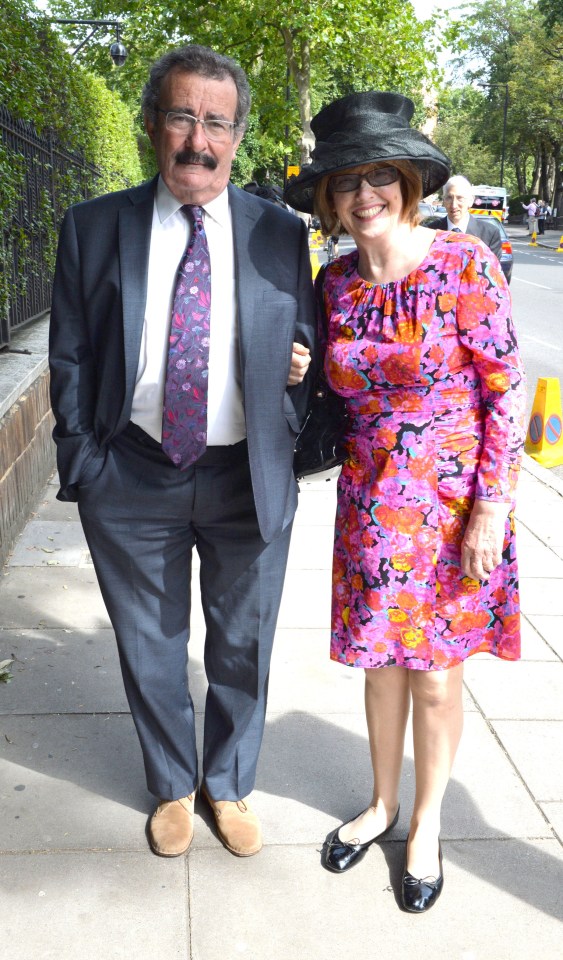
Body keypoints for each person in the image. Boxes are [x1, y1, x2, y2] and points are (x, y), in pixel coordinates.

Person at [49, 44, 316, 861]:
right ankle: (171, 781)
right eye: (180, 116)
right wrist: (85, 465)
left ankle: (228, 783)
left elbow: (304, 339)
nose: (197, 139)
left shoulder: (280, 231)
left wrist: (297, 372)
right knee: (149, 641)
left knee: (244, 641)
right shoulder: (94, 227)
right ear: (151, 127)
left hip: (245, 474)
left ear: (237, 136)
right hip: (130, 473)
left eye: (216, 121)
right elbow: (69, 356)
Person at [285, 91, 525, 912]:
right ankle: (380, 804)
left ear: (408, 183)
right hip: (367, 503)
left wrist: (491, 508)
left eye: (379, 177)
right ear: (328, 196)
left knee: (432, 679)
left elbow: (505, 392)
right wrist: (296, 369)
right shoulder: (335, 284)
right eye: (346, 181)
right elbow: (326, 390)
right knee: (380, 668)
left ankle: (425, 824)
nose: (363, 195)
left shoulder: (463, 263)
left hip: (453, 510)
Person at [430, 175, 502, 258]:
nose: (454, 205)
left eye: (460, 198)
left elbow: (493, 269)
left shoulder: (490, 233)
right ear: (443, 201)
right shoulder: (430, 231)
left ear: (471, 201)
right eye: (449, 198)